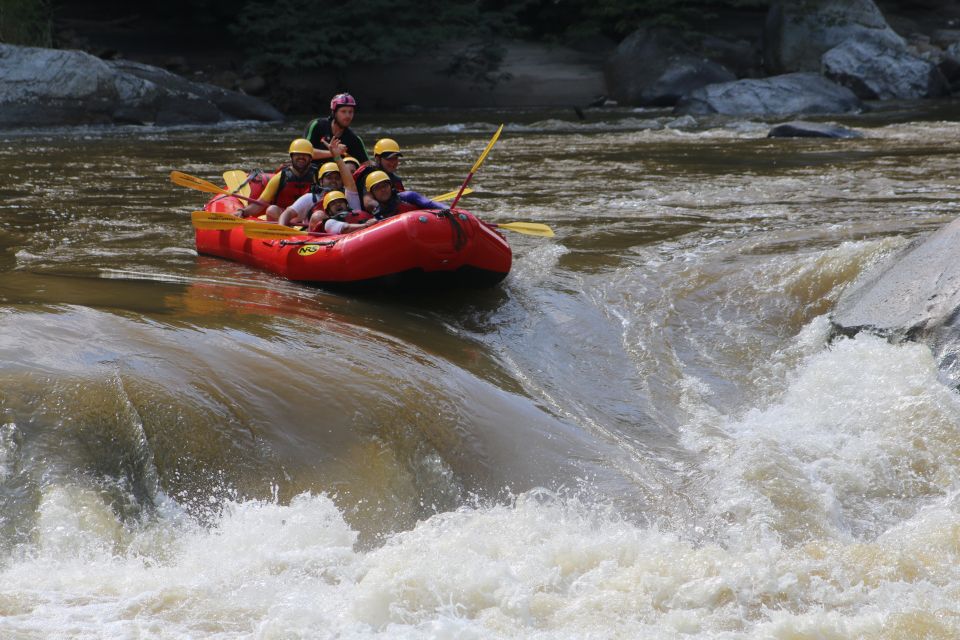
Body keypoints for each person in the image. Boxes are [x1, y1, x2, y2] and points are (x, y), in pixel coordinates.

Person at [278, 137, 362, 229]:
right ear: (321, 181)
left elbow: (350, 183)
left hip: (346, 236)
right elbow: (287, 213)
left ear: (342, 181)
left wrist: (337, 157)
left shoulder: (348, 196)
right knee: (318, 216)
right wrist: (281, 229)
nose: (333, 181)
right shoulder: (312, 198)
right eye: (329, 178)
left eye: (337, 178)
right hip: (316, 239)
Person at [237, 138, 315, 220]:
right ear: (292, 156)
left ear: (310, 158)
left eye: (305, 155)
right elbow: (260, 203)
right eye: (297, 155)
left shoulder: (317, 176)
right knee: (272, 210)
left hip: (308, 216)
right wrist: (243, 212)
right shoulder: (281, 177)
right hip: (284, 217)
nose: (301, 158)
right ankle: (278, 231)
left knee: (317, 214)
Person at [304, 93, 370, 167]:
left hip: (335, 176)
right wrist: (334, 152)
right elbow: (304, 152)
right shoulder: (317, 125)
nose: (348, 116)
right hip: (312, 171)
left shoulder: (354, 139)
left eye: (350, 112)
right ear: (334, 113)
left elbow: (367, 164)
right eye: (343, 111)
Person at [364, 170, 444, 219]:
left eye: (385, 185)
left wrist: (449, 210)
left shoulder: (408, 197)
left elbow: (430, 204)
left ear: (390, 186)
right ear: (372, 193)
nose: (383, 190)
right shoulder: (377, 214)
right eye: (377, 188)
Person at [355, 138, 407, 211]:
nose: (393, 162)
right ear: (378, 159)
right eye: (389, 159)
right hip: (370, 216)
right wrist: (383, 209)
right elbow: (368, 202)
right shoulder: (369, 175)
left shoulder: (395, 179)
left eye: (395, 158)